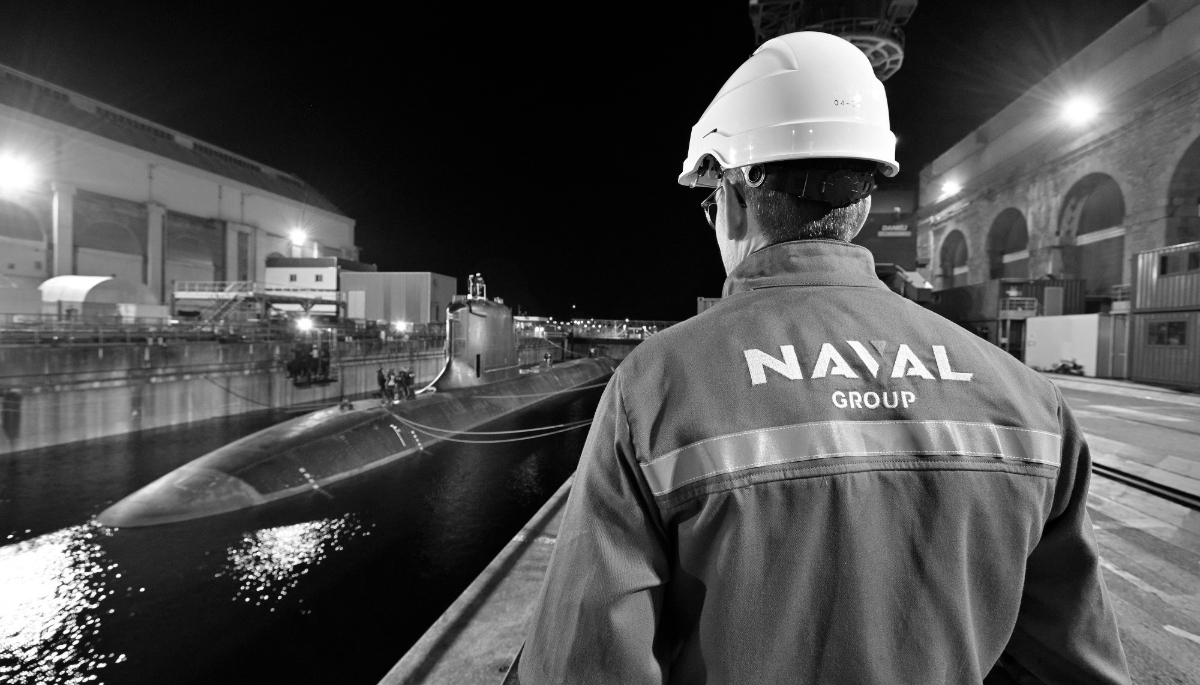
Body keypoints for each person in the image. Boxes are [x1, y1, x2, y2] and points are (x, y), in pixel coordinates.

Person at [520, 31, 1129, 685]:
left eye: (707, 200)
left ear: (732, 195)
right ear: (863, 200)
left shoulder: (656, 384)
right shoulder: (1029, 400)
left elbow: (582, 667)